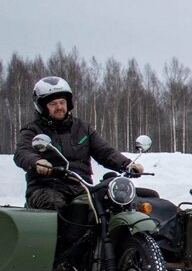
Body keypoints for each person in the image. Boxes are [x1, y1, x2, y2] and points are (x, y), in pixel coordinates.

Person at [13, 76, 144, 210]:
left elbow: (105, 152)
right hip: (46, 187)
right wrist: (36, 162)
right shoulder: (32, 129)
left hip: (82, 186)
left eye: (62, 102)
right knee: (57, 207)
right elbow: (22, 152)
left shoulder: (82, 128)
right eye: (53, 104)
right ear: (42, 106)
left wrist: (127, 164)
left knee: (113, 204)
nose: (59, 107)